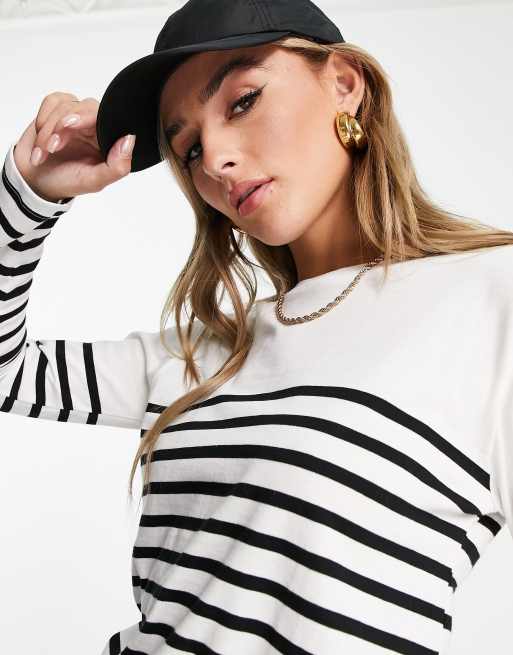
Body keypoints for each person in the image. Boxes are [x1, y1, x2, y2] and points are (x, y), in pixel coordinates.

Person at [2, 1, 513, 653]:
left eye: (242, 101)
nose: (214, 157)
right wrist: (30, 193)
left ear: (344, 83)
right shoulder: (204, 356)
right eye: (188, 147)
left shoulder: (488, 298)